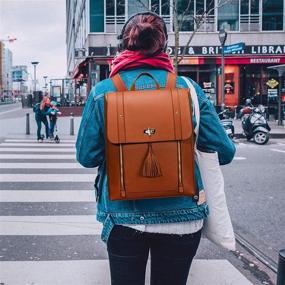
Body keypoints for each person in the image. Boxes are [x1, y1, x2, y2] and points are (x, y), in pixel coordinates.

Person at [76, 12, 236, 285]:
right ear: (163, 46)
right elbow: (225, 150)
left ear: (123, 45)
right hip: (183, 216)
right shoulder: (188, 89)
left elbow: (87, 157)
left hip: (124, 215)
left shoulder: (103, 91)